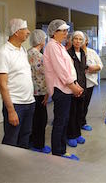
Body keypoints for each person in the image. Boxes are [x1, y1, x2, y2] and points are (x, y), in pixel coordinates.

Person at [44, 19, 83, 160]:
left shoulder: (58, 46)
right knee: (60, 122)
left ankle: (61, 150)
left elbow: (68, 68)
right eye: (64, 31)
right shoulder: (52, 47)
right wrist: (73, 87)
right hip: (60, 89)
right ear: (55, 33)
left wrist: (75, 85)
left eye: (67, 30)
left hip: (65, 88)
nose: (67, 33)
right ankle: (58, 153)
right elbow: (61, 70)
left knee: (64, 120)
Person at [0, 18, 35, 149]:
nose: (28, 32)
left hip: (29, 102)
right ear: (16, 32)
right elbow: (3, 85)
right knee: (11, 140)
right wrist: (11, 111)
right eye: (25, 29)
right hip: (15, 104)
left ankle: (21, 166)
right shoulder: (3, 53)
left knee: (25, 136)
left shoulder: (22, 50)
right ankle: (7, 168)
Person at [27, 29, 51, 154]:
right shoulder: (41, 57)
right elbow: (45, 76)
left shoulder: (26, 53)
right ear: (42, 41)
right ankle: (39, 145)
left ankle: (31, 141)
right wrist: (48, 93)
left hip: (28, 92)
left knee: (32, 118)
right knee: (41, 119)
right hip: (40, 92)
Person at [66, 31, 87, 147]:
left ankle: (78, 133)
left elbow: (83, 70)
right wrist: (74, 87)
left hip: (82, 86)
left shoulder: (83, 53)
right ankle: (70, 135)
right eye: (76, 39)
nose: (78, 41)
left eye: (80, 39)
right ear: (72, 40)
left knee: (80, 112)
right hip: (72, 87)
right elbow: (68, 72)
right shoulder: (68, 54)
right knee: (72, 112)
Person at [81, 32, 103, 131]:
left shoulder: (92, 52)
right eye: (77, 39)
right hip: (78, 84)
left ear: (87, 41)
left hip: (90, 83)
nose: (80, 41)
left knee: (85, 104)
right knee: (78, 105)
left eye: (82, 39)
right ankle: (75, 124)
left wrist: (93, 68)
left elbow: (100, 65)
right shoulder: (74, 52)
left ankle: (82, 122)